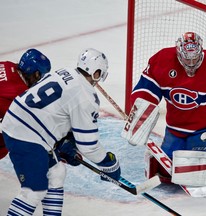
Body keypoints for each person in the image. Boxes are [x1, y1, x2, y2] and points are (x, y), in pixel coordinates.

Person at [2, 48, 121, 215]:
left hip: (22, 123)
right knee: (33, 192)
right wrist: (109, 164)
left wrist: (63, 144)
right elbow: (89, 146)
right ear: (97, 72)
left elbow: (57, 113)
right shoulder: (87, 97)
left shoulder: (64, 71)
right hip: (25, 135)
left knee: (57, 172)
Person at [124, 32, 206, 181]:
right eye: (186, 59)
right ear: (178, 52)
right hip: (175, 129)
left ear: (201, 51)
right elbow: (147, 89)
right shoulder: (162, 60)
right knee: (165, 171)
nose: (191, 64)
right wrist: (140, 113)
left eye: (195, 58)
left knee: (197, 172)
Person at [0, 49, 51, 160]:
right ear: (36, 74)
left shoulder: (7, 65)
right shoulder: (19, 92)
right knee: (4, 143)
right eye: (41, 76)